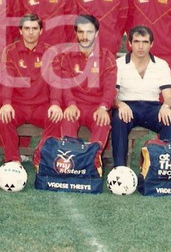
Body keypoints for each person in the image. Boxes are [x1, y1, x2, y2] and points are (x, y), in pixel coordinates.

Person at [43, 14, 117, 156]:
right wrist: (70, 104)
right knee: (67, 118)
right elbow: (64, 84)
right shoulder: (66, 56)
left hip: (96, 106)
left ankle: (92, 160)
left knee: (103, 120)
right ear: (76, 33)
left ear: (96, 33)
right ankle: (71, 159)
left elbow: (110, 87)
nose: (85, 36)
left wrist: (103, 107)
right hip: (75, 105)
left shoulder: (107, 57)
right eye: (81, 32)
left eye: (89, 32)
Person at [0, 14, 63, 165]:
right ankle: (13, 160)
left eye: (35, 28)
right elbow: (7, 80)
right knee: (4, 116)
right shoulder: (10, 51)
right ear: (20, 31)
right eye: (27, 28)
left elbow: (55, 82)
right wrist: (6, 103)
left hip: (41, 105)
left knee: (57, 116)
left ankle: (42, 157)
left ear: (41, 31)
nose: (31, 32)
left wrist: (55, 103)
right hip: (18, 105)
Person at [111, 25, 171, 167]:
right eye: (136, 41)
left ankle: (163, 168)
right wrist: (120, 104)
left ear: (151, 44)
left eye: (145, 42)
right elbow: (111, 96)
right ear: (129, 43)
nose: (140, 46)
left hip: (152, 107)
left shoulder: (161, 65)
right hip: (128, 106)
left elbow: (169, 97)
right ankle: (120, 168)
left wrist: (166, 106)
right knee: (118, 118)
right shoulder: (118, 64)